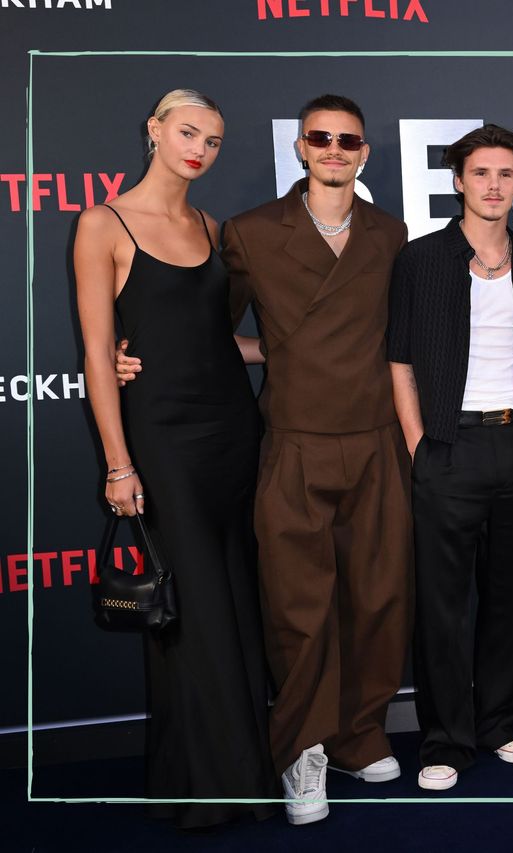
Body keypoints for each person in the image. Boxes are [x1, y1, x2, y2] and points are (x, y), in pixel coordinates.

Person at [122, 94, 414, 825]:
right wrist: (134, 358)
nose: (335, 149)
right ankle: (303, 746)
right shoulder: (251, 233)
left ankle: (357, 732)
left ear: (366, 152)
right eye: (321, 137)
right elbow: (208, 330)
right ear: (301, 148)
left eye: (349, 139)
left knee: (378, 598)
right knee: (299, 607)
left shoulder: (390, 232)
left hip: (376, 437)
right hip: (292, 440)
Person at [75, 88, 275, 828]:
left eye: (214, 140)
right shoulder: (103, 222)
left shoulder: (212, 227)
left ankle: (243, 772)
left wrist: (298, 353)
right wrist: (119, 464)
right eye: (188, 131)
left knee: (236, 600)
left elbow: (221, 342)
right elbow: (100, 355)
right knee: (191, 613)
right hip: (162, 439)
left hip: (234, 432)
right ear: (154, 130)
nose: (200, 148)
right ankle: (204, 786)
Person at [387, 124, 513, 792]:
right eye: (480, 173)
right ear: (458, 181)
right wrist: (419, 447)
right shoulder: (421, 261)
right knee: (443, 605)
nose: (493, 186)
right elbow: (399, 362)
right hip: (448, 447)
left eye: (506, 174)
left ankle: (505, 722)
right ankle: (445, 739)